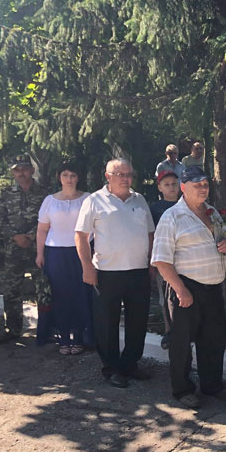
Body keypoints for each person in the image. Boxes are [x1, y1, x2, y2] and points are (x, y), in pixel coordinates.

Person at [151, 165, 226, 408]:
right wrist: (180, 290)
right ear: (183, 188)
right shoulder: (172, 217)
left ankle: (212, 385)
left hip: (213, 286)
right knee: (181, 342)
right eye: (197, 185)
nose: (202, 188)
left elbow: (223, 237)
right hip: (186, 287)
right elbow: (161, 260)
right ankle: (182, 389)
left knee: (213, 339)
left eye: (205, 184)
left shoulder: (212, 212)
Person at [75, 158, 155, 388]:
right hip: (107, 272)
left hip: (138, 271)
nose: (127, 179)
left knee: (137, 321)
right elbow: (81, 235)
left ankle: (130, 364)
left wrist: (151, 263)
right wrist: (87, 267)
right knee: (106, 323)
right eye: (121, 175)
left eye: (129, 174)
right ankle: (111, 368)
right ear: (108, 176)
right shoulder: (94, 200)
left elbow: (150, 233)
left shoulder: (139, 200)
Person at [35, 163, 94, 353]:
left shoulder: (88, 199)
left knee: (80, 295)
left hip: (81, 252)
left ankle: (79, 338)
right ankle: (63, 338)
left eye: (73, 175)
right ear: (59, 177)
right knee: (60, 295)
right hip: (55, 253)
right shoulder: (50, 201)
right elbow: (42, 229)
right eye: (65, 175)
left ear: (78, 177)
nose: (69, 179)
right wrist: (40, 254)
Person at [0, 154, 49, 342]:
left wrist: (31, 236)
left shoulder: (44, 194)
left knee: (43, 289)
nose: (21, 173)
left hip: (37, 249)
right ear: (13, 173)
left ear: (32, 170)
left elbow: (50, 219)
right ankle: (13, 330)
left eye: (24, 168)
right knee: (11, 290)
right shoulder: (6, 194)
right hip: (13, 249)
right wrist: (14, 236)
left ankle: (46, 329)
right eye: (17, 170)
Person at [149, 170, 181, 350]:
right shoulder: (154, 209)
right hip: (164, 259)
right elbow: (151, 234)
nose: (171, 188)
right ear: (160, 187)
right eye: (167, 184)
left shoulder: (187, 204)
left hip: (184, 258)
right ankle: (169, 329)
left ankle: (185, 328)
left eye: (174, 184)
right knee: (165, 295)